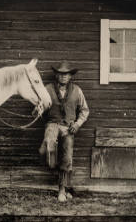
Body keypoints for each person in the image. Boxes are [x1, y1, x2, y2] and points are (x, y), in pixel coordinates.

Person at [39, 61, 89, 202]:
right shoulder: (47, 89)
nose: (63, 77)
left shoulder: (77, 90)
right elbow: (40, 105)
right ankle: (47, 150)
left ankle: (62, 189)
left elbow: (85, 110)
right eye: (60, 74)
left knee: (67, 157)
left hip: (68, 128)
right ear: (56, 75)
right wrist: (39, 109)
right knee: (47, 152)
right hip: (52, 125)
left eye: (66, 74)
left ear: (70, 76)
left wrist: (78, 124)